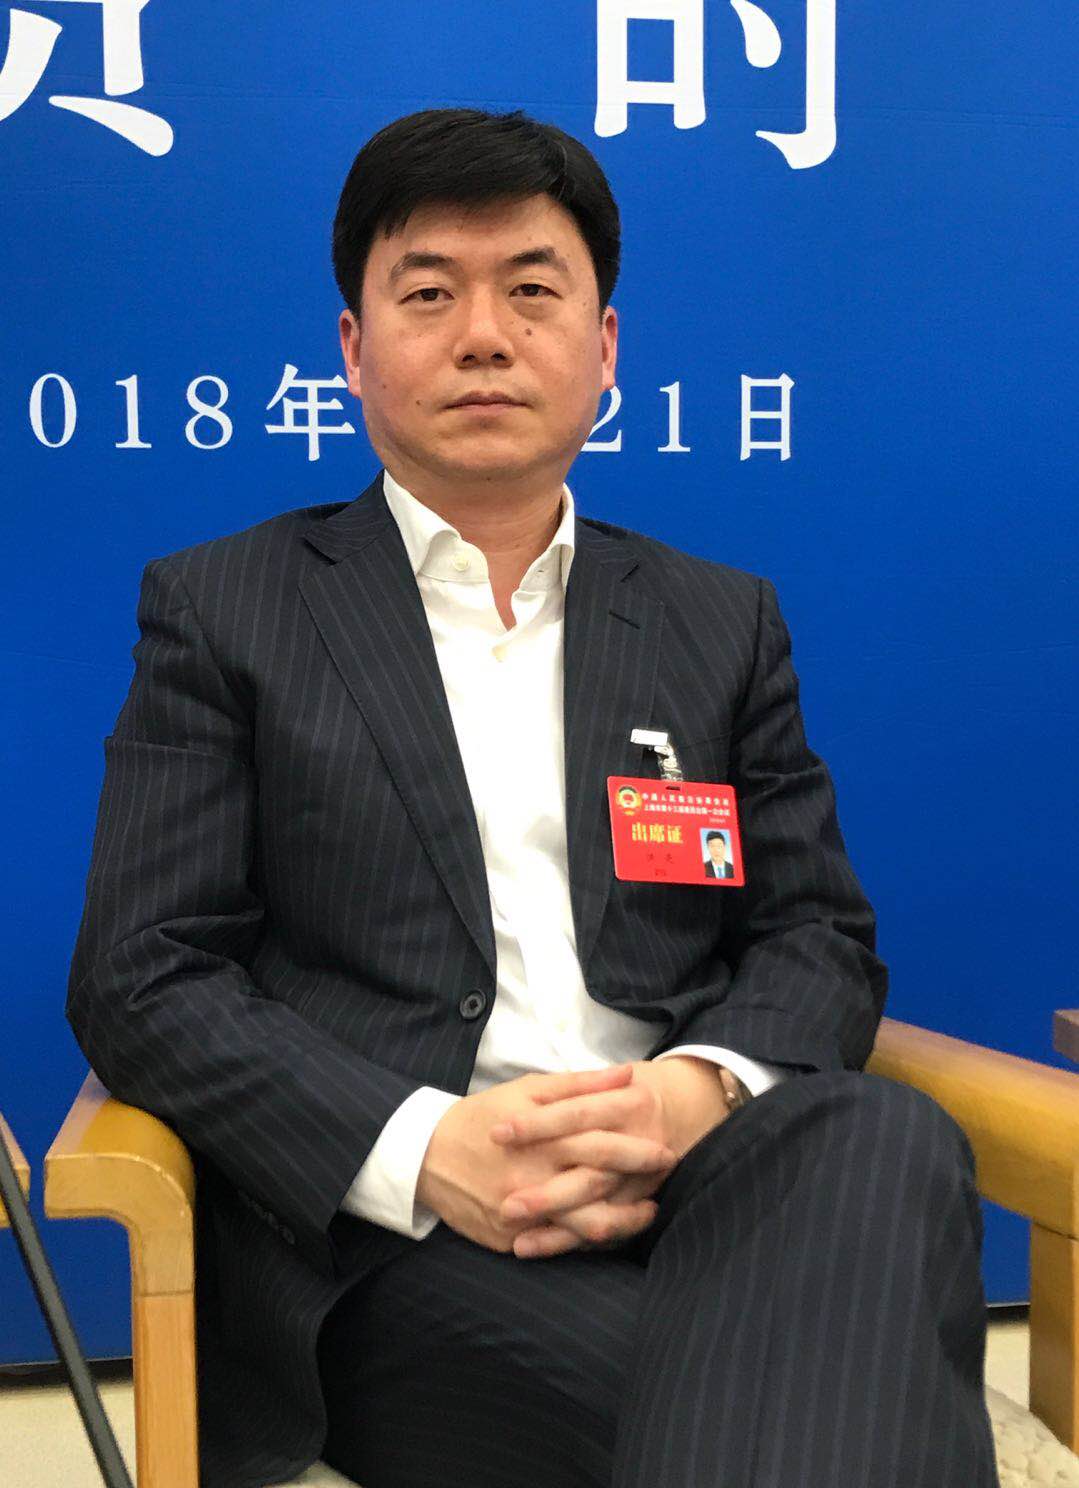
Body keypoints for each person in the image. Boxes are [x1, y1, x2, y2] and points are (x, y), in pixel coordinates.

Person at [66, 108, 999, 1488]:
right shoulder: (226, 609)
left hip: (700, 1181)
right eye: (429, 294)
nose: (484, 337)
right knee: (811, 1388)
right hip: (402, 1244)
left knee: (884, 1131)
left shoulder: (717, 621)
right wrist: (424, 1147)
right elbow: (142, 972)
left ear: (603, 347)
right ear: (353, 349)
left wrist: (693, 1096)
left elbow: (815, 938)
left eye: (532, 291)